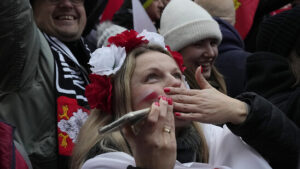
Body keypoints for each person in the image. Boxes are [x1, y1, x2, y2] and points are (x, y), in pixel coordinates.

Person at [71, 29, 271, 169]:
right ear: (121, 99)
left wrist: (243, 110)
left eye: (177, 75)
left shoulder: (216, 139)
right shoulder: (102, 163)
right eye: (153, 77)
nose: (177, 84)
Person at [0, 0, 102, 168]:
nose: (67, 4)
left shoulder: (93, 60)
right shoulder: (24, 52)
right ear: (32, 8)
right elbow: (13, 11)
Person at [160, 0, 226, 93]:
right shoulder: (169, 98)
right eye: (198, 44)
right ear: (176, 51)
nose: (210, 53)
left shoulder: (219, 83)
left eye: (213, 43)